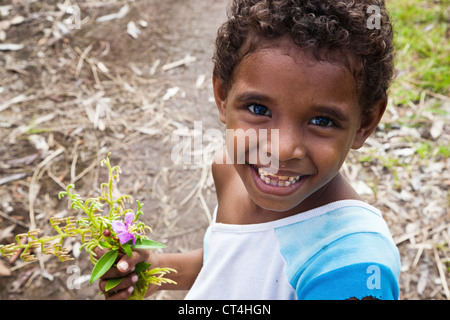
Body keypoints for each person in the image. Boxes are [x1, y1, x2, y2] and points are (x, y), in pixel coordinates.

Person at [98, 0, 401, 300]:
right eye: (258, 108)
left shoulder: (350, 268)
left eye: (322, 120)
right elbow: (228, 262)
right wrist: (155, 271)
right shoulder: (228, 169)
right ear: (221, 96)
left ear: (366, 122)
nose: (282, 150)